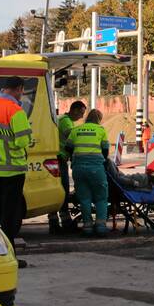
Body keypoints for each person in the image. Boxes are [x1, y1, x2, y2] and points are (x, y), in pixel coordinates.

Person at [0, 76, 32, 241]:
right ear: (19, 89)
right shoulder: (15, 110)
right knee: (9, 215)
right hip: (11, 171)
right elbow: (23, 140)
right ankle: (9, 254)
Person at [66, 108, 110, 237]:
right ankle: (101, 227)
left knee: (84, 198)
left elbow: (68, 147)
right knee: (101, 197)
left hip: (78, 168)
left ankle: (87, 227)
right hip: (96, 168)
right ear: (99, 119)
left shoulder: (76, 130)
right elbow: (105, 150)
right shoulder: (100, 130)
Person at [49, 100, 87, 234]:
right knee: (63, 190)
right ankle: (64, 223)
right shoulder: (65, 121)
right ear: (75, 110)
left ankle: (54, 222)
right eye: (81, 113)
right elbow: (73, 137)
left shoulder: (64, 120)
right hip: (59, 159)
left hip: (59, 159)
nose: (81, 117)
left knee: (59, 191)